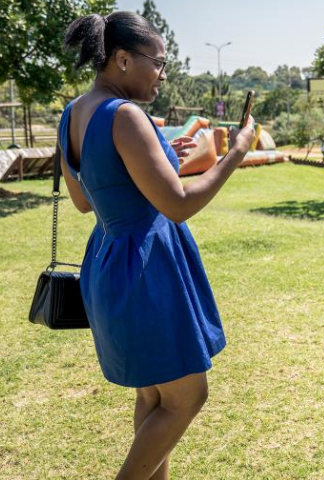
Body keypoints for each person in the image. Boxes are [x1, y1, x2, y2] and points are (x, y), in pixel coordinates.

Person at [61, 12, 255, 479]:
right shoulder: (126, 115)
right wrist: (236, 153)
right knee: (189, 396)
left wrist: (168, 154)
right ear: (123, 59)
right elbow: (178, 204)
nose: (163, 75)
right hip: (147, 271)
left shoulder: (74, 111)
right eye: (158, 63)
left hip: (109, 263)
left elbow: (86, 200)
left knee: (152, 396)